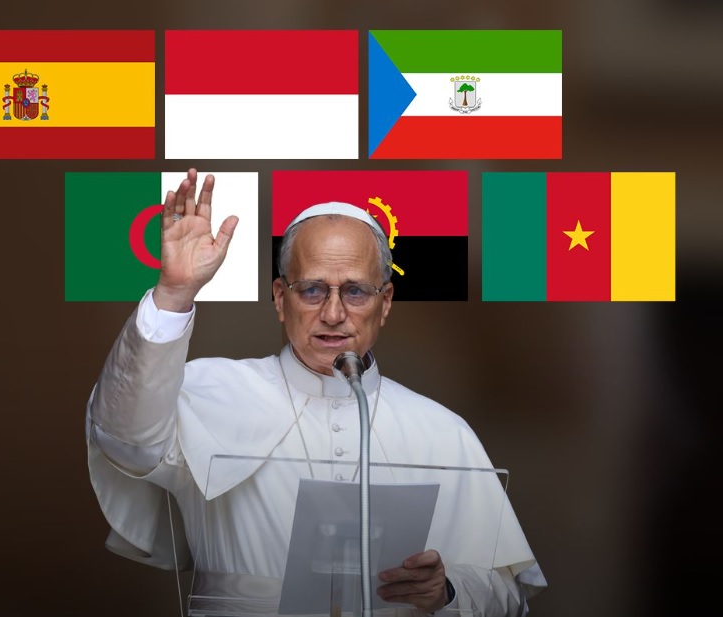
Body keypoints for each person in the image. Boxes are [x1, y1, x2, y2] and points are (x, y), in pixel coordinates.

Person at [86, 169, 547, 616]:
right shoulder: (208, 391)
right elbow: (126, 442)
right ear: (279, 298)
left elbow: (506, 593)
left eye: (356, 292)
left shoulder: (443, 431)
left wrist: (445, 591)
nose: (333, 313)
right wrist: (173, 294)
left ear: (385, 303)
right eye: (311, 290)